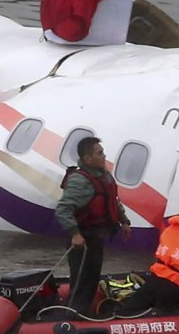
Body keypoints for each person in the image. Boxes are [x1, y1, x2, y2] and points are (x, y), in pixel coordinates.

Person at [54, 135, 130, 316]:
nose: (104, 156)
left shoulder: (104, 175)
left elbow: (113, 200)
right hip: (83, 239)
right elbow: (63, 210)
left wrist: (124, 221)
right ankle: (71, 318)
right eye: (100, 153)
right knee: (82, 281)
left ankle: (84, 313)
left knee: (92, 277)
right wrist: (74, 233)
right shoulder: (80, 181)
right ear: (88, 159)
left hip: (97, 238)